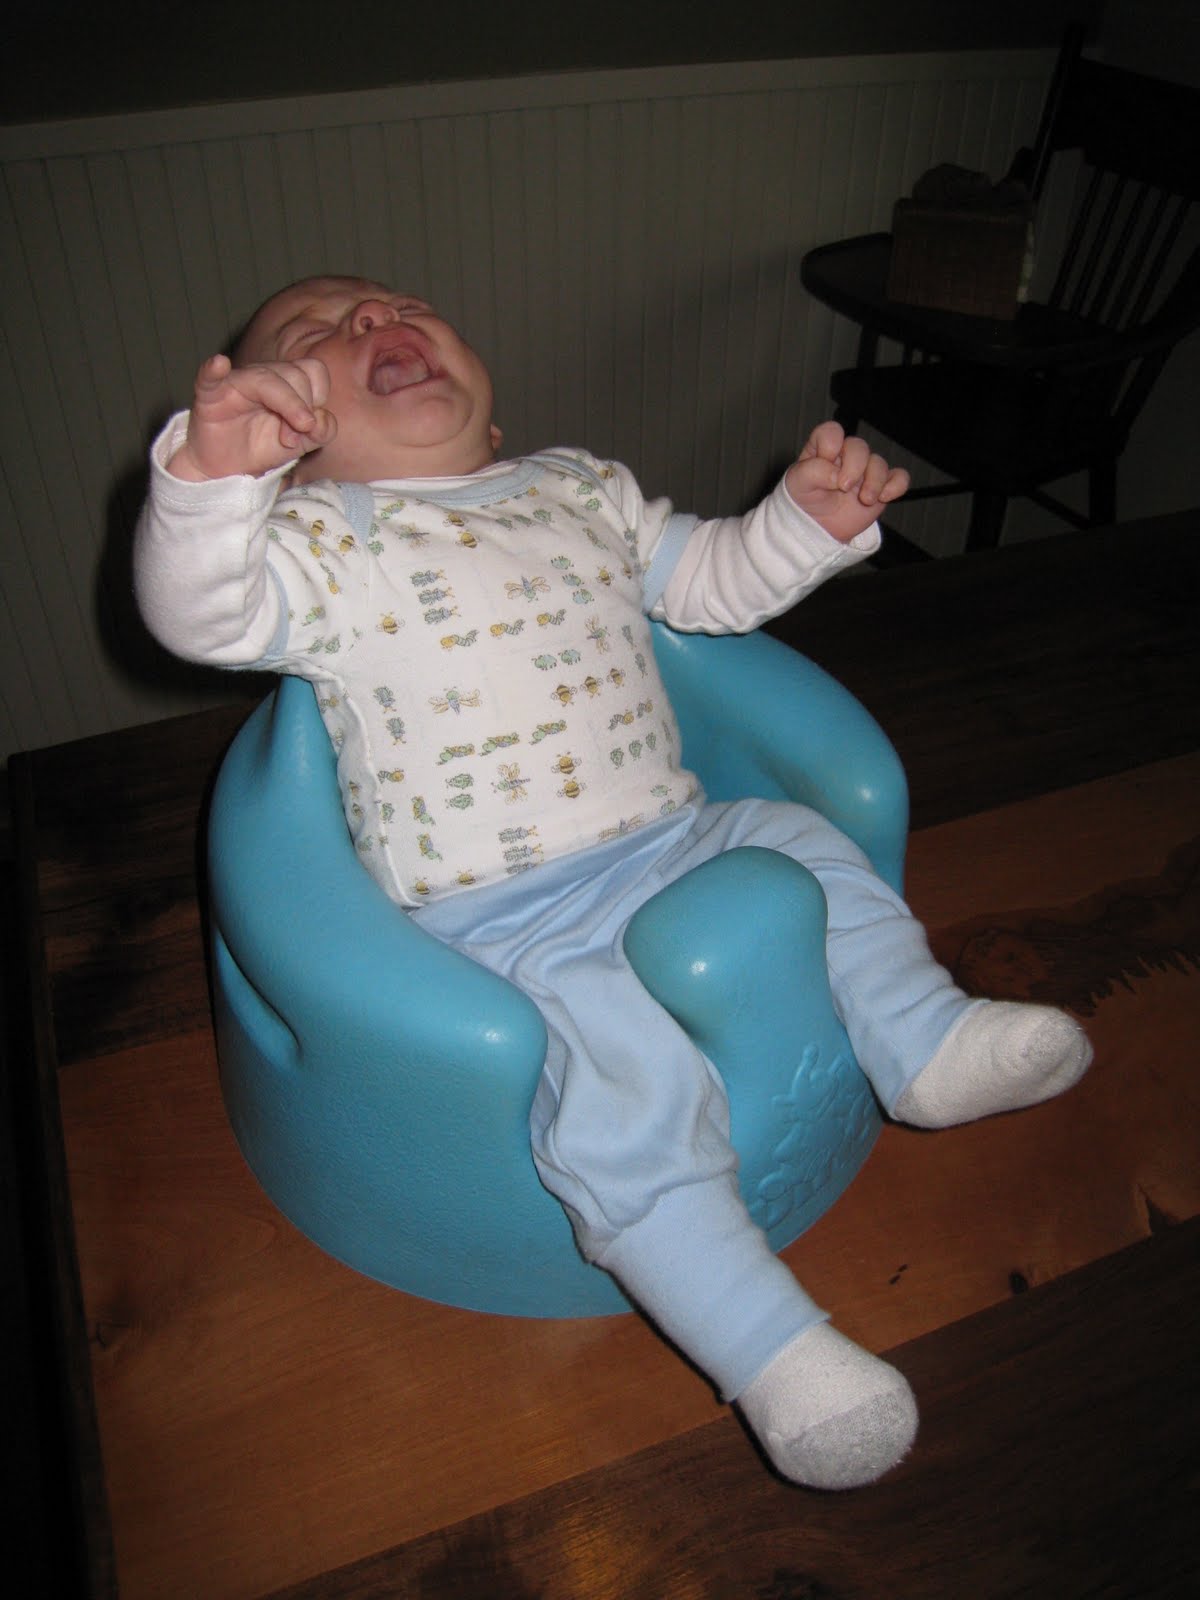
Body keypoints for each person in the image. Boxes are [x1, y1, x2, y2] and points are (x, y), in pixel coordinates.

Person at [135, 275, 1092, 1490]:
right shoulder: (319, 546)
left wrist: (805, 522)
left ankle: (925, 1038)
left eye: (401, 306)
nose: (377, 325)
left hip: (670, 834)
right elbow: (195, 610)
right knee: (622, 1094)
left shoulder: (579, 486)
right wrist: (210, 478)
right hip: (500, 916)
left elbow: (709, 586)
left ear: (488, 407)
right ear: (298, 451)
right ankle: (777, 1352)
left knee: (811, 841)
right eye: (316, 336)